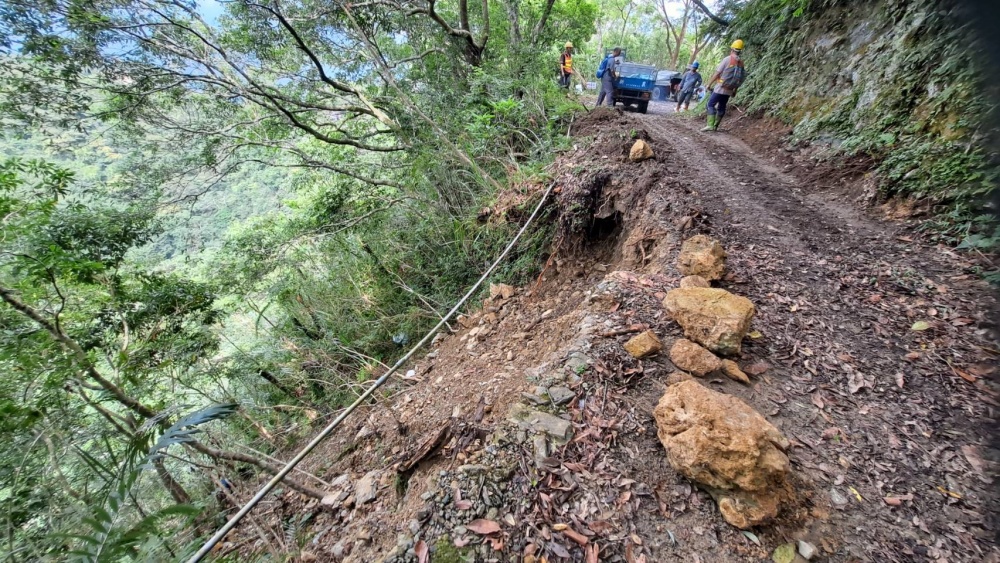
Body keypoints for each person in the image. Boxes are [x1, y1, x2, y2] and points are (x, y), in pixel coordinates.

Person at [702, 39, 747, 131]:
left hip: (720, 87)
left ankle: (710, 125)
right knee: (722, 106)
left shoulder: (727, 59)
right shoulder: (741, 63)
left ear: (732, 49)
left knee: (710, 104)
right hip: (730, 89)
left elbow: (717, 73)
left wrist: (709, 84)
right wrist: (735, 91)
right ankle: (715, 126)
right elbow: (739, 78)